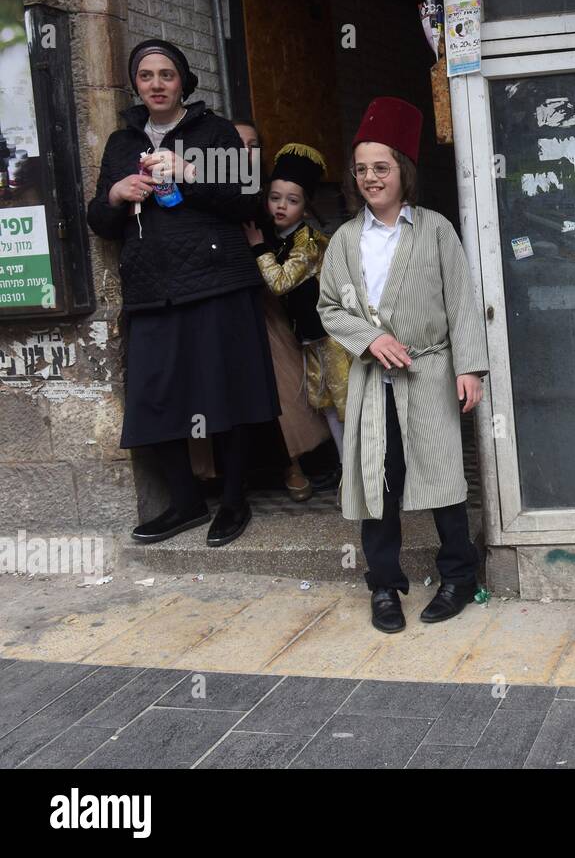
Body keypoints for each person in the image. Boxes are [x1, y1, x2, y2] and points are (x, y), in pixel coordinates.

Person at [87, 38, 278, 547]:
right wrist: (114, 195)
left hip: (217, 283)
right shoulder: (121, 143)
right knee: (155, 398)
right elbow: (101, 223)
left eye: (165, 75)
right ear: (136, 83)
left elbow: (248, 200)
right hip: (152, 288)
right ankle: (186, 502)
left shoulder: (212, 132)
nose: (156, 84)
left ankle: (234, 501)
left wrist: (189, 172)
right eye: (146, 75)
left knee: (227, 392)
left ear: (182, 81)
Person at [317, 97, 489, 634]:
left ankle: (459, 576)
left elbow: (461, 301)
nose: (371, 178)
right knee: (378, 480)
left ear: (403, 172)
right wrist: (368, 339)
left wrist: (469, 368)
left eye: (382, 168)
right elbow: (328, 306)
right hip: (373, 383)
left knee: (443, 477)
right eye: (362, 169)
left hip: (431, 372)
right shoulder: (346, 240)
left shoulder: (435, 230)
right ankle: (384, 585)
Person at [243, 144, 351, 498]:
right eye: (275, 197)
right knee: (327, 407)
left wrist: (257, 247)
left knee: (346, 405)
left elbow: (280, 282)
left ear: (305, 208)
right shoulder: (281, 239)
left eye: (291, 200)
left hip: (332, 337)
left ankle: (367, 473)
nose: (281, 206)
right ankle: (346, 468)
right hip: (309, 338)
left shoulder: (309, 242)